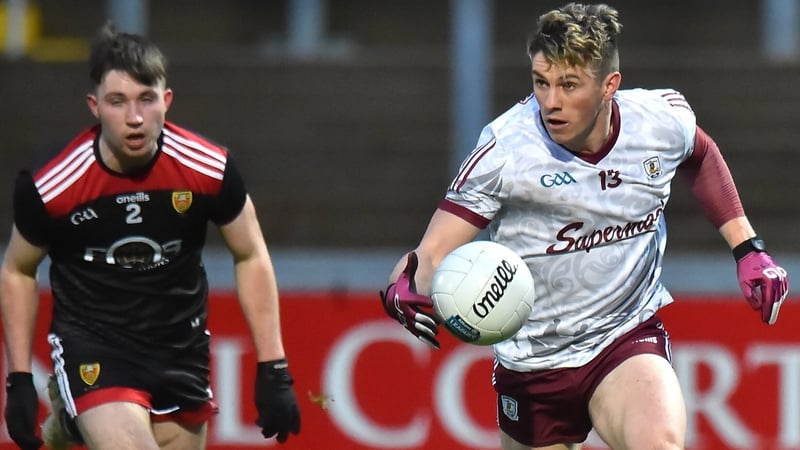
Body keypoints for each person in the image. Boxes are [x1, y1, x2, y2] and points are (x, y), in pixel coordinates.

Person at [380, 3, 790, 450]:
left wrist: (749, 249)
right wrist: (405, 286)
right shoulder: (505, 150)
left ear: (609, 86)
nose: (551, 101)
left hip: (624, 335)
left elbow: (700, 153)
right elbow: (432, 252)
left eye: (568, 85)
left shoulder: (658, 120)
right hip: (533, 364)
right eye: (541, 82)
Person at [1, 23, 300, 450]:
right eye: (117, 102)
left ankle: (68, 427)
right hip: (95, 348)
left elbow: (251, 254)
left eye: (146, 99)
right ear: (94, 106)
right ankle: (78, 410)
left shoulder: (209, 170)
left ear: (168, 101)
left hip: (181, 351)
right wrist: (18, 380)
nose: (135, 118)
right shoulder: (51, 184)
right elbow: (18, 269)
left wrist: (274, 367)